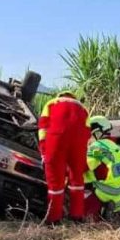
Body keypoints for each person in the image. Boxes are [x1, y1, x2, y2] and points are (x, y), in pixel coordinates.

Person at [37, 91, 90, 225]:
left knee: (55, 182)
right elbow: (88, 132)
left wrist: (43, 151)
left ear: (60, 95)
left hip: (56, 140)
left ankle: (54, 219)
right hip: (79, 144)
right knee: (77, 180)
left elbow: (43, 128)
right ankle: (77, 216)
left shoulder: (51, 103)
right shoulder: (83, 108)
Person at [84, 116, 120, 221]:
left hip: (110, 193)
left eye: (89, 135)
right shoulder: (116, 147)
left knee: (83, 214)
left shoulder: (96, 147)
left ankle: (103, 212)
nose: (88, 139)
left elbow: (82, 167)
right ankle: (114, 212)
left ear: (97, 133)